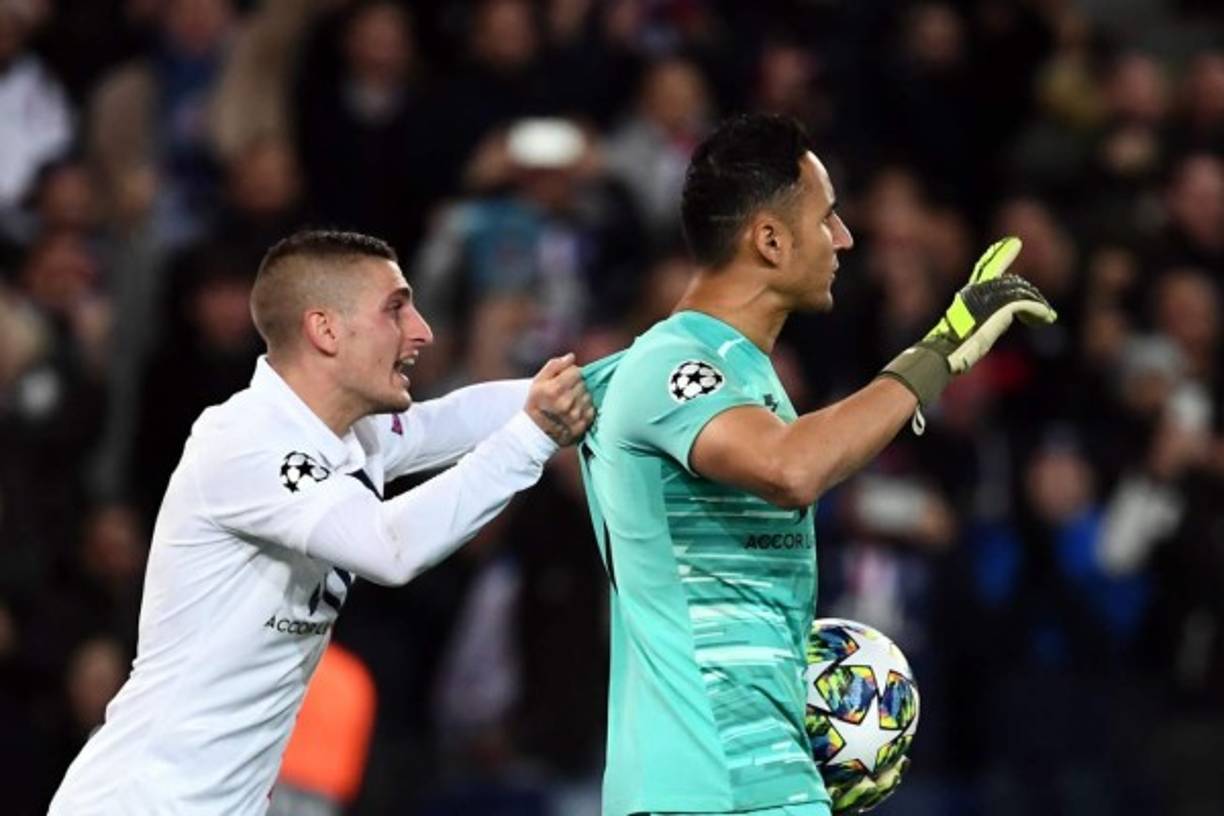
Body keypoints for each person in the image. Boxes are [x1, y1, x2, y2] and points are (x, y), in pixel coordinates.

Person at [577, 113, 1056, 816]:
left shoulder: (747, 378)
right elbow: (789, 468)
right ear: (769, 240)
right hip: (699, 788)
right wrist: (940, 352)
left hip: (772, 784)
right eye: (828, 218)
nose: (845, 238)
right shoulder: (672, 364)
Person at [49, 229, 594, 814]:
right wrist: (535, 436)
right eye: (395, 308)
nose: (422, 331)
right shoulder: (247, 441)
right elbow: (390, 548)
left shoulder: (341, 437)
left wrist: (598, 382)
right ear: (325, 329)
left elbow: (445, 423)